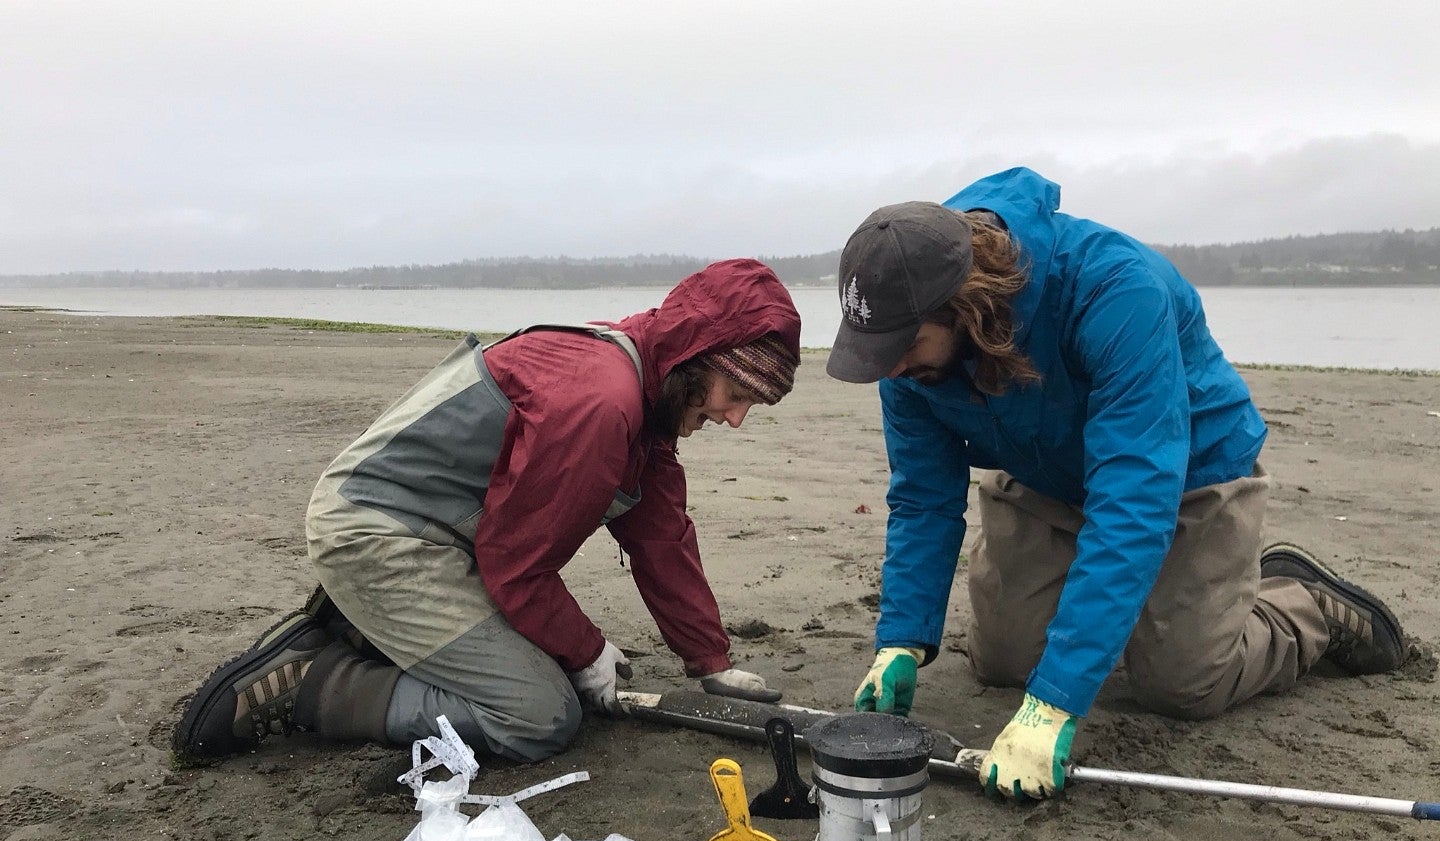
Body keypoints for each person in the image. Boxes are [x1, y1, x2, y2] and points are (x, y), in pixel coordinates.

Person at [826, 167, 1408, 800]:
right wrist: (903, 640)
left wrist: (1054, 703)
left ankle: (1300, 601)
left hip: (1186, 473)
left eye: (905, 347)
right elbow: (923, 497)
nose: (892, 368)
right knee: (1004, 662)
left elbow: (1134, 498)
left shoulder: (1115, 288)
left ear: (965, 305)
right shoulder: (907, 356)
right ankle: (1142, 607)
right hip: (1046, 476)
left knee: (1183, 684)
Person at [174, 258, 801, 764]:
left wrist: (711, 661)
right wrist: (586, 652)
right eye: (736, 394)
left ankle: (364, 627)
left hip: (442, 539)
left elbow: (660, 536)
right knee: (539, 715)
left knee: (552, 664)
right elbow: (515, 563)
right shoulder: (599, 403)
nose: (735, 418)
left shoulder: (646, 386)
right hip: (378, 534)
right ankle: (317, 682)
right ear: (696, 359)